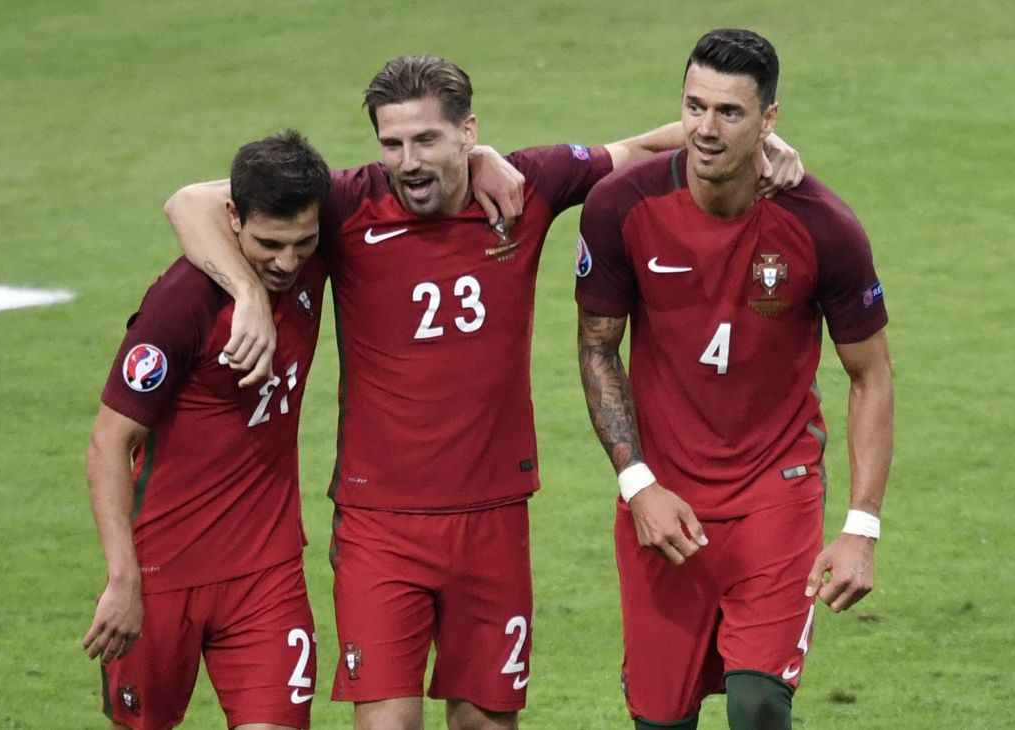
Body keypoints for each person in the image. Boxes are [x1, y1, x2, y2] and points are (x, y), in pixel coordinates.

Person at [164, 55, 803, 730]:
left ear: (468, 132)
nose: (407, 161)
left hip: (494, 515)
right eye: (392, 143)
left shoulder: (528, 185)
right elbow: (193, 201)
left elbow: (645, 146)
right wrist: (248, 297)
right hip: (381, 521)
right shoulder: (349, 200)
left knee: (486, 723)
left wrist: (757, 143)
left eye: (427, 140)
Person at [575, 29, 893, 730]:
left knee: (757, 705)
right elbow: (598, 349)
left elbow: (871, 374)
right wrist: (638, 485)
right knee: (661, 720)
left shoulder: (824, 228)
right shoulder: (620, 208)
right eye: (695, 107)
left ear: (769, 120)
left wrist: (861, 529)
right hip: (664, 504)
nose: (706, 129)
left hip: (775, 494)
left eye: (729, 113)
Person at [82, 130, 332, 730]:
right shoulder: (183, 302)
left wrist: (479, 158)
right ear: (234, 219)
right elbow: (109, 443)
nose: (288, 262)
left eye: (303, 244)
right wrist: (123, 579)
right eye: (269, 244)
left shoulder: (313, 248)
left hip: (268, 572)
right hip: (163, 574)